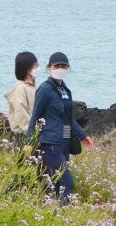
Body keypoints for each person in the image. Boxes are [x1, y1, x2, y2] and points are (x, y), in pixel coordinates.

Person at [26, 52, 94, 203]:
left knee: (56, 184)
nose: (60, 68)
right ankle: (65, 214)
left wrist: (83, 136)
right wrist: (29, 143)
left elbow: (68, 118)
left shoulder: (64, 90)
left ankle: (55, 215)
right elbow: (34, 117)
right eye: (57, 66)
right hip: (50, 144)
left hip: (64, 144)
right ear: (50, 67)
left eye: (63, 66)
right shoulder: (44, 89)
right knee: (67, 182)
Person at [5, 51, 38, 142]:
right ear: (28, 68)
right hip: (24, 136)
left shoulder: (31, 87)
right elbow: (21, 114)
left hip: (32, 134)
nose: (38, 67)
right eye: (36, 65)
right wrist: (32, 134)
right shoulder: (21, 88)